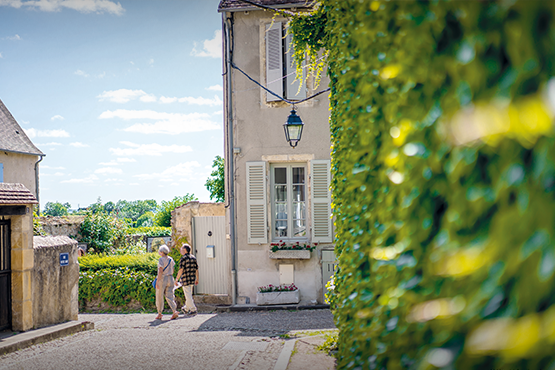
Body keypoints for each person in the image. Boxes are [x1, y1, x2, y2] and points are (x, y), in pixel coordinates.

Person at [155, 245, 179, 320]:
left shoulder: (161, 259)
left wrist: (157, 281)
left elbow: (160, 270)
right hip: (170, 277)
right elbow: (173, 268)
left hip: (163, 278)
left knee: (159, 296)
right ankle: (174, 310)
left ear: (161, 252)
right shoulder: (171, 259)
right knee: (170, 295)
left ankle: (159, 313)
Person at [175, 243, 199, 315]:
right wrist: (197, 278)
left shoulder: (183, 259)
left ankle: (193, 309)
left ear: (185, 250)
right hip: (192, 279)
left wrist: (176, 279)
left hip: (185, 279)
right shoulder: (193, 258)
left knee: (188, 296)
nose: (180, 250)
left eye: (181, 248)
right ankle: (186, 308)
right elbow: (196, 269)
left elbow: (180, 270)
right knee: (189, 295)